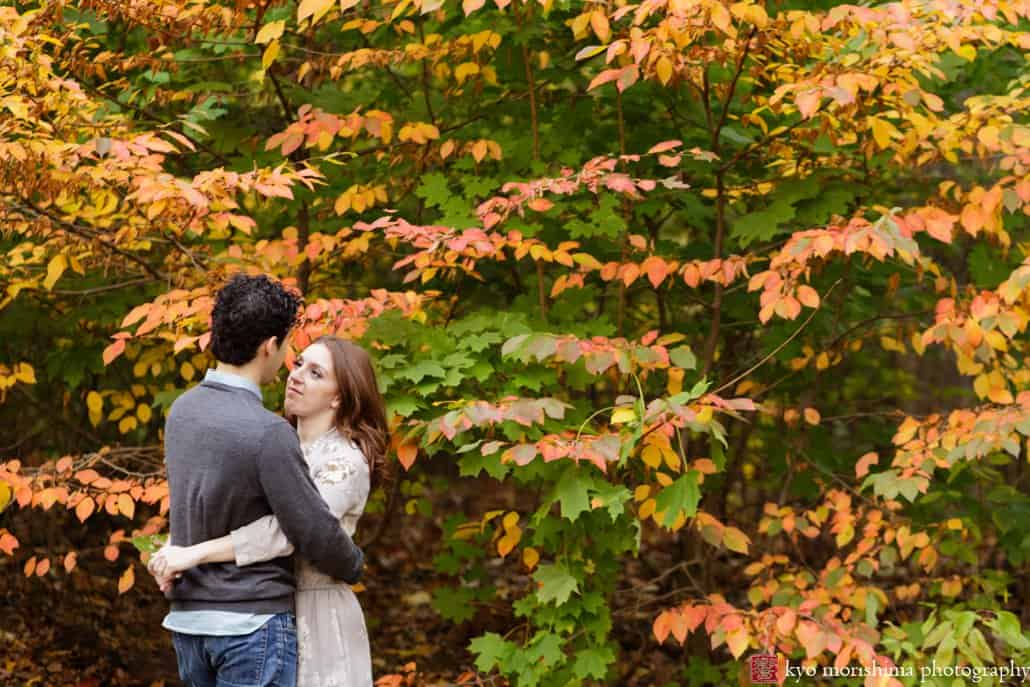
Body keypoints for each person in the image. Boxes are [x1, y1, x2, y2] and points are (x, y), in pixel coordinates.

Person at [157, 274, 365, 687]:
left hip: (189, 620)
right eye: (291, 350)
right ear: (270, 346)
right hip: (250, 622)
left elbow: (193, 505)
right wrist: (354, 564)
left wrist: (176, 551)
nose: (293, 368)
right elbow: (308, 529)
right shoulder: (268, 432)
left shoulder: (181, 411)